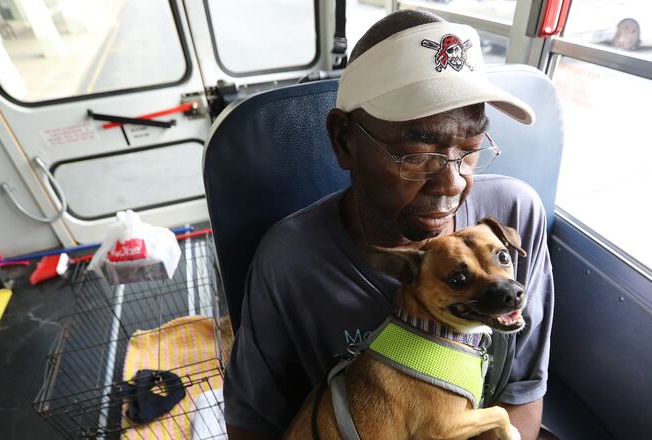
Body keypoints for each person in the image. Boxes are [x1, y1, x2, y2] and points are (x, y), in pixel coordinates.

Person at [224, 9, 553, 440]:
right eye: (416, 156)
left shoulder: (514, 213)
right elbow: (252, 421)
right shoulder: (289, 260)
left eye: (471, 148)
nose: (453, 182)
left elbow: (524, 388)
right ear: (345, 140)